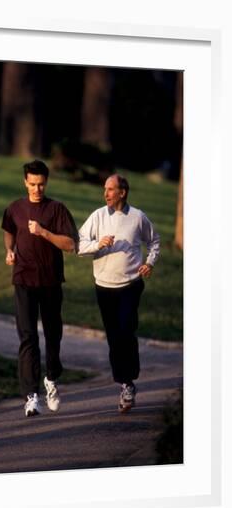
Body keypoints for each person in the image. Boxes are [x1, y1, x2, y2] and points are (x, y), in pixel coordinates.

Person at [1, 159, 78, 417]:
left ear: (47, 182)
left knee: (53, 334)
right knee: (27, 337)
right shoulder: (14, 208)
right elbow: (9, 230)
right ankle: (31, 396)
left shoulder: (57, 210)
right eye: (32, 184)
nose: (37, 189)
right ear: (25, 182)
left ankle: (51, 379)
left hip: (51, 282)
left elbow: (70, 245)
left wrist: (44, 232)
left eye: (41, 184)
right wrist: (9, 250)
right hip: (23, 279)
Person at [78, 174, 160, 413]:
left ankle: (128, 381)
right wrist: (98, 244)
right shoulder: (98, 216)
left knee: (126, 330)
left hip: (130, 285)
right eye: (105, 189)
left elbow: (154, 241)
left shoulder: (138, 217)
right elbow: (79, 245)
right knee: (114, 337)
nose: (105, 194)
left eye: (110, 189)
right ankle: (124, 382)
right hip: (104, 286)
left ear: (122, 192)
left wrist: (150, 262)